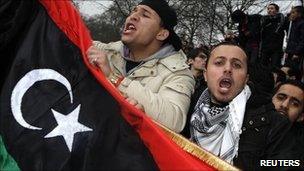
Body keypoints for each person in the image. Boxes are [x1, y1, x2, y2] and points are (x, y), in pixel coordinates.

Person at [86, 0, 195, 133]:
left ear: (161, 34)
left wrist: (115, 79)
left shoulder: (178, 73)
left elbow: (174, 120)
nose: (133, 16)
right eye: (134, 11)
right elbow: (73, 37)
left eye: (145, 15)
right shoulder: (108, 51)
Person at [189, 42, 292, 170]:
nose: (227, 69)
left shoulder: (275, 123)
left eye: (237, 65)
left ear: (246, 79)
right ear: (205, 74)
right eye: (219, 63)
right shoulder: (189, 107)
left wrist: (257, 164)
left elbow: (290, 163)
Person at [272, 80, 304, 168]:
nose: (285, 105)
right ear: (271, 99)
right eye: (281, 97)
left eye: (295, 104)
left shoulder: (296, 157)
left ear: (301, 116)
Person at [260, 3, 285, 68]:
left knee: (275, 68)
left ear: (277, 10)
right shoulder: (264, 20)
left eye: (272, 8)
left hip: (276, 49)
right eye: (268, 9)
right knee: (263, 68)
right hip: (265, 48)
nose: (269, 10)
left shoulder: (282, 20)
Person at [284, 6, 304, 79]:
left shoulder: (301, 24)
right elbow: (290, 39)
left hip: (296, 53)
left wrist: (297, 52)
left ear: (299, 14)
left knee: (295, 71)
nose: (291, 14)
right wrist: (287, 51)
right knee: (287, 69)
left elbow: (302, 40)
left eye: (293, 12)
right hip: (290, 51)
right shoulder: (292, 24)